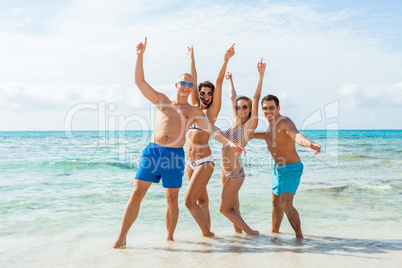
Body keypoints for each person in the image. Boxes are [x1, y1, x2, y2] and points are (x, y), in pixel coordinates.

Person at [113, 37, 245, 248]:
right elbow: (139, 82)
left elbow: (213, 129)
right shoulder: (163, 101)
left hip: (174, 156)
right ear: (177, 85)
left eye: (189, 84)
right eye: (183, 83)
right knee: (137, 192)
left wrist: (229, 143)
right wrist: (139, 56)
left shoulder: (194, 112)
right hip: (153, 152)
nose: (186, 86)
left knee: (172, 199)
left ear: (192, 88)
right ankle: (121, 238)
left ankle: (170, 240)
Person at [184, 44, 235, 237]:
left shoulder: (211, 112)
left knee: (190, 201)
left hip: (204, 161)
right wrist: (192, 58)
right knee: (201, 201)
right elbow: (192, 79)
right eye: (203, 92)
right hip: (189, 161)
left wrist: (226, 59)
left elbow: (219, 82)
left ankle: (207, 235)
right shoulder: (194, 108)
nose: (206, 96)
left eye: (210, 93)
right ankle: (207, 236)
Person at [253, 94, 321, 238]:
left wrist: (309, 144)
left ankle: (299, 237)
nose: (268, 111)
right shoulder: (271, 125)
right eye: (265, 108)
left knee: (285, 203)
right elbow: (268, 135)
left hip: (291, 168)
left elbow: (296, 135)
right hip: (277, 169)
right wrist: (250, 135)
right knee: (275, 202)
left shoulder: (285, 121)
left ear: (278, 108)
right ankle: (275, 235)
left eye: (271, 107)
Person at [220, 58, 266, 235]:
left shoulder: (250, 126)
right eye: (239, 107)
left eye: (245, 107)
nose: (241, 109)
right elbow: (233, 97)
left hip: (235, 173)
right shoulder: (235, 122)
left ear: (250, 108)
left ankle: (250, 233)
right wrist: (230, 80)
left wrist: (261, 75)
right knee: (233, 207)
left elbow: (255, 97)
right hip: (224, 171)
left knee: (224, 209)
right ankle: (238, 236)